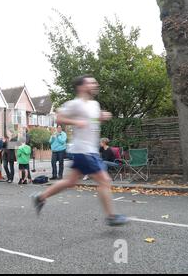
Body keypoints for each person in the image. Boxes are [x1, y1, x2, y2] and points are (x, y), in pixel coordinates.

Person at [31, 75, 128, 226]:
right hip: (84, 150)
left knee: (70, 181)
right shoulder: (75, 104)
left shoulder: (94, 104)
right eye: (91, 82)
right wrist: (76, 121)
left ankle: (40, 197)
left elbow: (92, 121)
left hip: (88, 150)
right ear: (82, 87)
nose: (95, 84)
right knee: (105, 180)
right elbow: (59, 118)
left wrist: (101, 117)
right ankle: (111, 216)